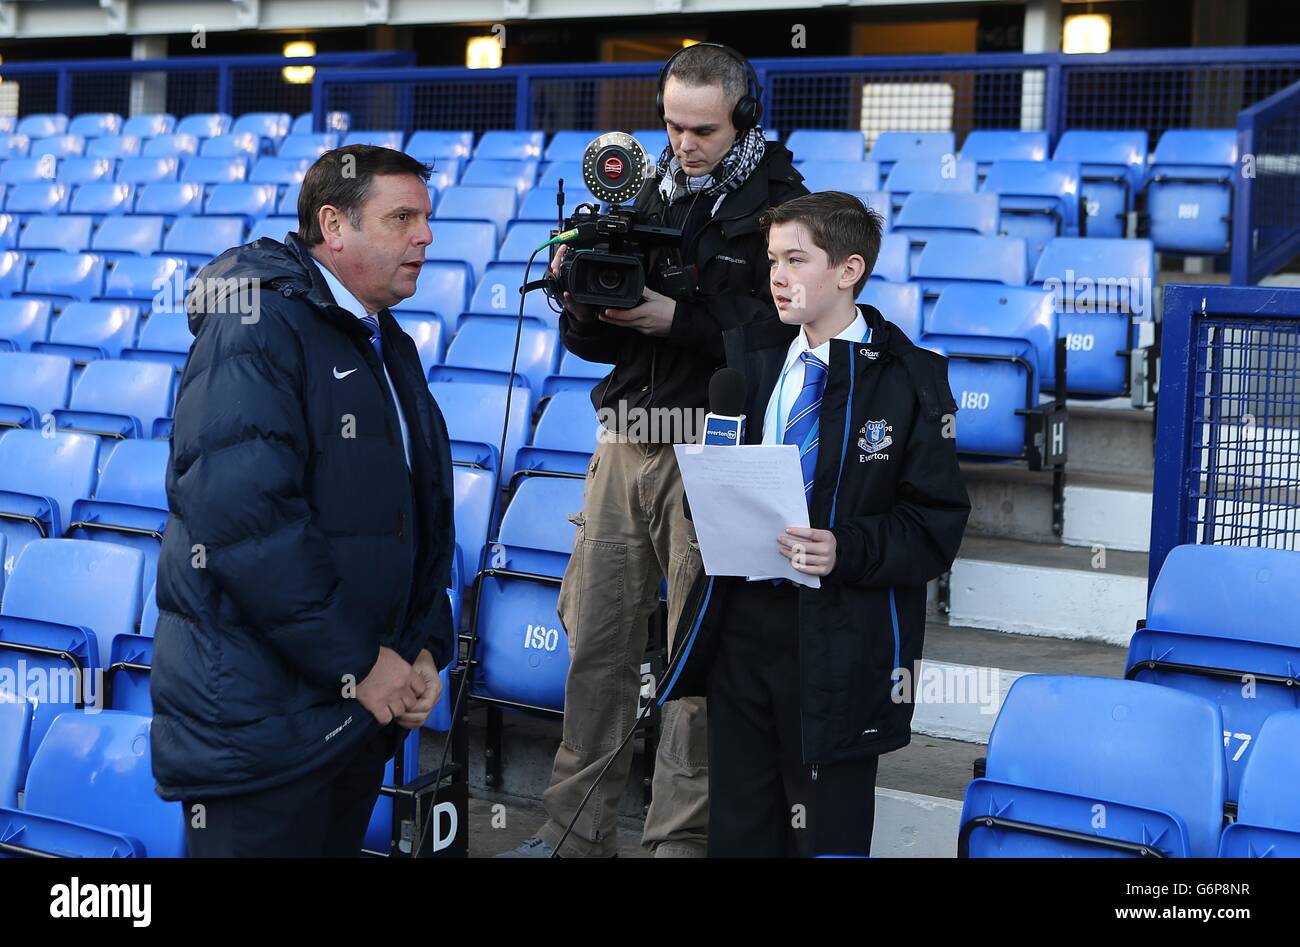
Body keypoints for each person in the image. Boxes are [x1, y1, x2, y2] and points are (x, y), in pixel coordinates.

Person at [501, 43, 808, 858]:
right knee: (596, 643)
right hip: (625, 438)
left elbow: (790, 339)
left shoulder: (787, 206)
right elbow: (602, 338)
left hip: (718, 448)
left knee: (697, 662)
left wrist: (683, 321)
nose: (683, 142)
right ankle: (572, 833)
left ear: (745, 117)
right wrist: (580, 297)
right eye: (671, 125)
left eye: (702, 128)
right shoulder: (637, 187)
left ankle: (678, 843)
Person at [151, 145, 457, 858]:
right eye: (403, 217)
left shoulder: (376, 334)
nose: (426, 236)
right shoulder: (256, 326)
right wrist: (362, 658)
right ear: (334, 224)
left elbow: (412, 514)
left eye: (427, 217)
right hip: (263, 732)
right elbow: (247, 528)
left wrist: (418, 647)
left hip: (342, 717)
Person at [659, 191, 971, 857]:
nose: (776, 274)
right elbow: (714, 486)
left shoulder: (911, 379)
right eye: (772, 259)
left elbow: (934, 526)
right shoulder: (752, 359)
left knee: (823, 834)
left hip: (839, 641)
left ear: (849, 269)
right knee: (739, 829)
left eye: (796, 259)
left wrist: (844, 548)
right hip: (743, 628)